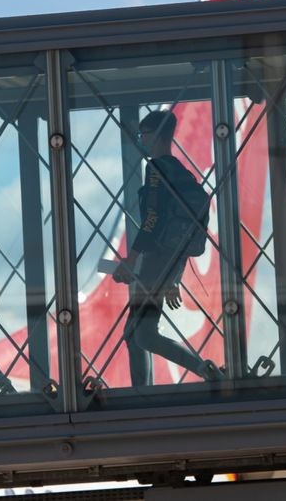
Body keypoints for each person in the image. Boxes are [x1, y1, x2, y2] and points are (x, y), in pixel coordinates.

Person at [113, 110, 222, 386]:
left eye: (143, 134)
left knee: (143, 334)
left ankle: (201, 370)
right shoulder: (180, 172)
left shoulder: (157, 169)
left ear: (156, 135)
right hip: (168, 262)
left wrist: (131, 259)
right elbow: (184, 233)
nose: (140, 140)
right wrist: (173, 276)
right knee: (134, 332)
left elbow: (152, 220)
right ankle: (145, 389)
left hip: (153, 263)